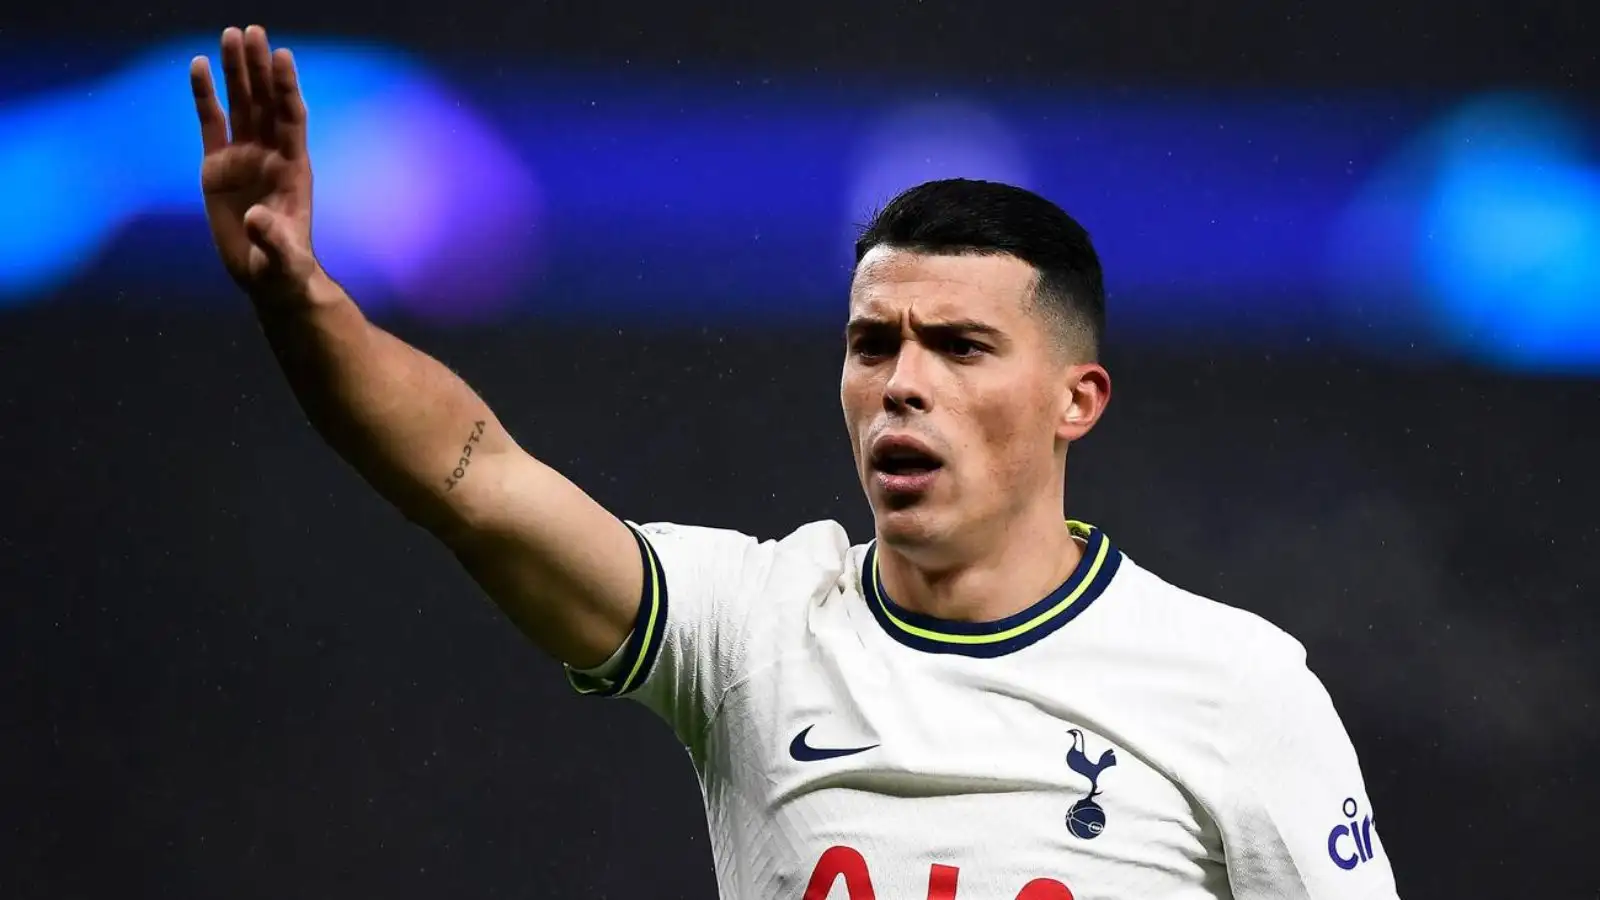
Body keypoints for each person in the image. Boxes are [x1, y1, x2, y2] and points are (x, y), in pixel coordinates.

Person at [190, 24, 1401, 900]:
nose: (902, 382)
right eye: (873, 344)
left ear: (1075, 401)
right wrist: (303, 304)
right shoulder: (753, 630)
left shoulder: (1235, 686)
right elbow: (471, 480)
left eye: (960, 346)